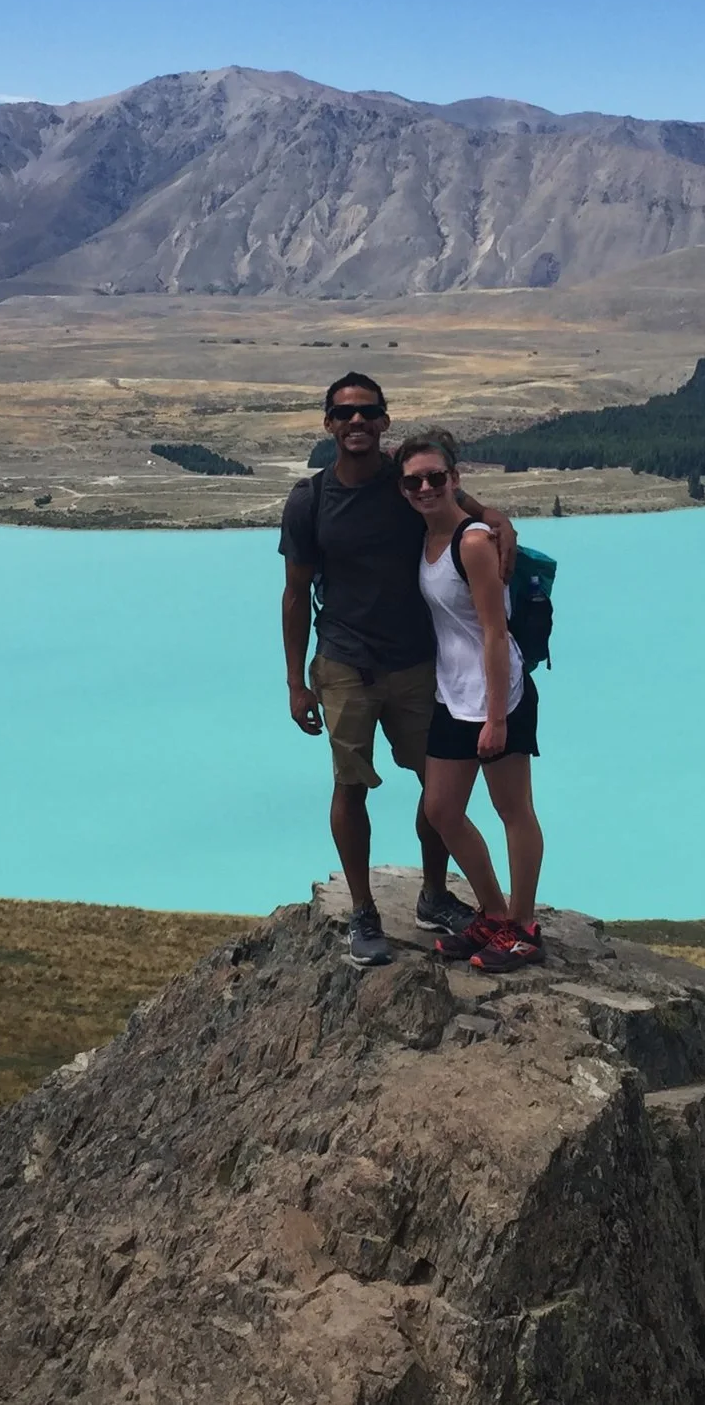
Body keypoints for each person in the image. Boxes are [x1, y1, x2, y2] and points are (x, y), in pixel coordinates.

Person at [280, 374, 515, 968]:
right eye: (344, 413)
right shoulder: (309, 501)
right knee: (349, 785)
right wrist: (295, 681)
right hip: (343, 665)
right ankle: (363, 911)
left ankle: (434, 896)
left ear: (384, 421)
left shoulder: (410, 484)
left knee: (436, 790)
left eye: (367, 412)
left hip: (415, 665)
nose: (356, 422)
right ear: (328, 423)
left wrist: (499, 518)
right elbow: (293, 593)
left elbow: (465, 510)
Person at [393, 428, 546, 974]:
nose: (427, 487)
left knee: (513, 810)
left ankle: (523, 929)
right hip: (452, 694)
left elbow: (494, 632)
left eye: (437, 477)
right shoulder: (429, 536)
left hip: (496, 697)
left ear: (455, 479)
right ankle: (495, 915)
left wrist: (498, 718)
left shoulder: (474, 543)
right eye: (415, 480)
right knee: (441, 809)